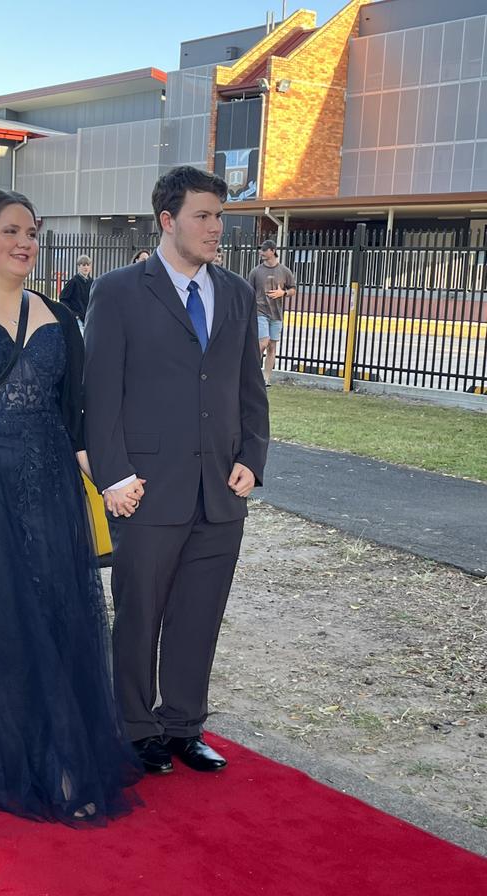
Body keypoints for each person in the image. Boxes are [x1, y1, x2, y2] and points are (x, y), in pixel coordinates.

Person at [0, 188, 141, 825]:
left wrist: (109, 481)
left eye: (32, 232)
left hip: (47, 500)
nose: (25, 243)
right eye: (11, 231)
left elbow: (76, 423)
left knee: (53, 624)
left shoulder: (62, 319)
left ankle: (54, 754)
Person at [84, 165, 269, 776]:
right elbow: (99, 396)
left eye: (221, 216)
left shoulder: (238, 293)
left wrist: (251, 457)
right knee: (138, 615)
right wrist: (111, 476)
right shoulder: (117, 292)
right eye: (204, 216)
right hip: (146, 491)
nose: (217, 228)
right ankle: (136, 728)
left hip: (220, 492)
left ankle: (183, 727)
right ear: (168, 220)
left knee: (198, 615)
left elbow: (249, 388)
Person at [247, 240, 296, 387]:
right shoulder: (255, 271)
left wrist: (283, 292)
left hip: (276, 314)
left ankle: (266, 379)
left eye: (264, 250)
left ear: (273, 250)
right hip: (259, 311)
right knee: (263, 342)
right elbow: (249, 292)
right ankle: (251, 372)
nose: (261, 252)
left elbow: (293, 289)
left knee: (272, 346)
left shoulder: (285, 271)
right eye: (260, 250)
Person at [58, 254, 93, 329]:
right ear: (78, 267)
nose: (86, 267)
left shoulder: (92, 282)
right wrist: (74, 315)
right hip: (78, 320)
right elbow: (63, 299)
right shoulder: (73, 282)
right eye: (83, 265)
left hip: (89, 318)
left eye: (88, 265)